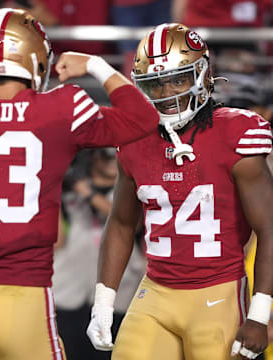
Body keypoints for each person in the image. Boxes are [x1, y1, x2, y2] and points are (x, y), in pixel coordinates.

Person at [0, 7, 160, 360]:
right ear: (34, 60)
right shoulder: (62, 109)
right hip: (22, 296)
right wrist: (95, 65)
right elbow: (143, 119)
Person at [86, 23, 273, 360]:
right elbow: (122, 223)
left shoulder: (236, 132)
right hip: (155, 291)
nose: (167, 92)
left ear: (202, 75)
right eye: (156, 83)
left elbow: (270, 227)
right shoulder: (133, 139)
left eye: (178, 79)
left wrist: (260, 313)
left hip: (217, 293)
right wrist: (104, 299)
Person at [53, 148, 145, 360]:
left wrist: (90, 195)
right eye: (106, 155)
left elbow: (135, 224)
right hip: (69, 288)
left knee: (111, 354)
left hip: (120, 290)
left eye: (117, 155)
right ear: (93, 157)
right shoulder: (69, 189)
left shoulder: (132, 188)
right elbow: (57, 239)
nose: (113, 160)